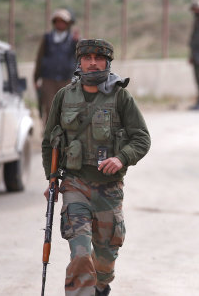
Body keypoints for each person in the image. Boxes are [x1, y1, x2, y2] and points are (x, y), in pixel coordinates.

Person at [41, 39, 151, 296]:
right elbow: (49, 142)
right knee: (80, 254)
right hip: (75, 184)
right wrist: (52, 181)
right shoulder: (64, 96)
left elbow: (142, 138)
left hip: (109, 190)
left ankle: (100, 287)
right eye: (87, 58)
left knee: (104, 260)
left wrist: (122, 158)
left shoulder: (120, 96)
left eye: (98, 58)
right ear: (79, 62)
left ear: (107, 62)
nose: (93, 63)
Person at [33, 8, 79, 125]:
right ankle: (49, 135)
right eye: (57, 21)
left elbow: (80, 58)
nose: (60, 24)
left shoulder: (73, 40)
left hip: (67, 80)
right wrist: (36, 77)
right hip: (49, 80)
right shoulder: (48, 38)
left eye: (63, 22)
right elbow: (40, 58)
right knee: (50, 107)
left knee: (67, 108)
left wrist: (77, 41)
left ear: (68, 24)